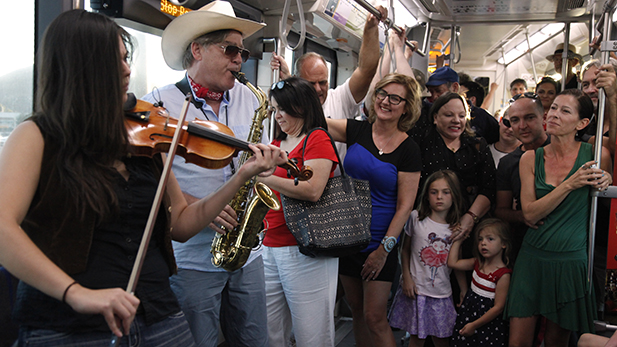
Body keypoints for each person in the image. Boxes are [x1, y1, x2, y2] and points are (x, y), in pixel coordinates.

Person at [0, 9, 286, 346]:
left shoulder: (143, 137)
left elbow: (180, 222)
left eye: (126, 58)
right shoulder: (36, 135)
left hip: (155, 310)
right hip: (69, 323)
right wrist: (76, 293)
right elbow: (4, 226)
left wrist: (242, 177)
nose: (126, 69)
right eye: (114, 60)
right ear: (80, 66)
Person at [140, 2, 273, 346]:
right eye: (230, 50)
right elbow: (146, 182)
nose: (239, 60)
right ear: (197, 49)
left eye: (242, 52)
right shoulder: (157, 105)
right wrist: (197, 205)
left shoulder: (251, 99)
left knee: (255, 340)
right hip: (191, 261)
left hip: (247, 252)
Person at [505, 89, 613, 347]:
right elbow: (530, 212)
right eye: (553, 107)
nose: (553, 114)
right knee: (517, 342)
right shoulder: (531, 158)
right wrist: (570, 184)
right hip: (532, 258)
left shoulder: (597, 155)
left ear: (582, 123)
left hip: (571, 260)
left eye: (565, 111)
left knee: (557, 342)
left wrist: (607, 178)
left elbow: (603, 189)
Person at [326, 73, 422, 347]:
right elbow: (315, 122)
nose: (386, 101)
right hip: (348, 239)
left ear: (406, 107)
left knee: (375, 317)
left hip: (380, 242)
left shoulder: (409, 149)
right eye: (382, 93)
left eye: (395, 98)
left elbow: (405, 206)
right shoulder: (356, 130)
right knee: (356, 309)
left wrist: (383, 250)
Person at [254, 77, 338, 347]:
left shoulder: (317, 138)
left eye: (282, 109)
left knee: (311, 335)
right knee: (269, 331)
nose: (276, 116)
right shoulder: (278, 144)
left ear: (301, 108)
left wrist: (260, 178)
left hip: (305, 248)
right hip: (270, 244)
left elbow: (313, 189)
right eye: (274, 109)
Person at [388, 170, 468, 347]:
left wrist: (463, 289)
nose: (439, 197)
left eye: (446, 192)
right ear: (427, 195)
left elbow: (456, 262)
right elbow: (405, 250)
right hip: (416, 291)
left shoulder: (455, 229)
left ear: (454, 195)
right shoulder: (416, 218)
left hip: (441, 294)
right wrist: (406, 278)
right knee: (416, 338)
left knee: (441, 339)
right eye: (434, 192)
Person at [412, 92, 495, 241]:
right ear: (435, 118)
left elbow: (489, 187)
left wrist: (470, 217)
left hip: (468, 228)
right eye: (449, 115)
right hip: (426, 228)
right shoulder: (421, 143)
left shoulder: (477, 145)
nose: (456, 120)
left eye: (462, 116)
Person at [494, 93, 549, 261]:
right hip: (526, 243)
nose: (522, 126)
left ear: (543, 118)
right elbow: (500, 210)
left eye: (529, 118)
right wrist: (522, 216)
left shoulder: (562, 150)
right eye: (515, 120)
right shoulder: (507, 163)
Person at [448, 218, 512, 347]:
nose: (483, 243)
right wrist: (459, 239)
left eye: (490, 239)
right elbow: (452, 263)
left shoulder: (502, 275)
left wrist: (474, 325)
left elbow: (498, 307)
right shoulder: (477, 263)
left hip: (486, 325)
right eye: (480, 239)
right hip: (468, 317)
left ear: (503, 244)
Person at [418, 68, 499, 144]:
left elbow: (499, 142)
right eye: (431, 92)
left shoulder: (480, 117)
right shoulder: (426, 114)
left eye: (438, 91)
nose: (434, 96)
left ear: (454, 88)